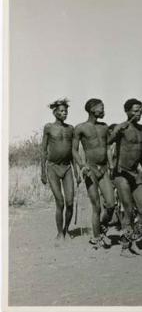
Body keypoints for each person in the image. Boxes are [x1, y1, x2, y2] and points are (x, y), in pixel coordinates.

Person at [108, 98, 142, 257]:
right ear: (127, 112)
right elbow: (108, 141)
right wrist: (117, 129)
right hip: (121, 173)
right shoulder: (122, 128)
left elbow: (141, 152)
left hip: (135, 172)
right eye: (135, 110)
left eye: (140, 110)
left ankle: (132, 239)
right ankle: (126, 247)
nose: (138, 113)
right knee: (128, 209)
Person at [73, 99, 116, 249]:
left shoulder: (104, 127)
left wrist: (111, 165)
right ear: (92, 109)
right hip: (90, 169)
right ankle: (96, 237)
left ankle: (102, 227)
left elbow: (108, 146)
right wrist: (81, 166)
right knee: (96, 206)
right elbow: (74, 150)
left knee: (111, 204)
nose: (103, 110)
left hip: (103, 169)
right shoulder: (80, 128)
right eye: (101, 108)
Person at [41, 99, 80, 242]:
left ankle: (66, 229)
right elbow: (44, 150)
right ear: (55, 112)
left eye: (66, 111)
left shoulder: (71, 128)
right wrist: (42, 172)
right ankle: (59, 233)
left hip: (67, 167)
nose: (64, 113)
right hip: (52, 168)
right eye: (62, 111)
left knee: (69, 202)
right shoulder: (48, 127)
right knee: (60, 202)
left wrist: (76, 171)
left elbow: (73, 152)